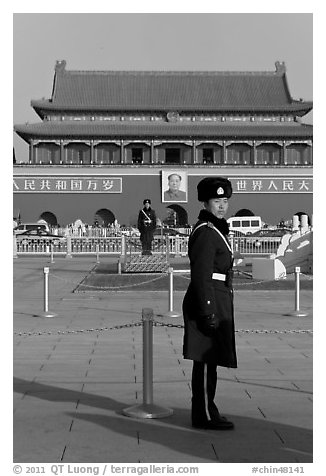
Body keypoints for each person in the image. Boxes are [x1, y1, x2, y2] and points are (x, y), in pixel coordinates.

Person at [182, 176, 237, 430]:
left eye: (225, 200)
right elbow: (201, 274)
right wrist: (207, 310)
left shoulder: (215, 229)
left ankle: (208, 410)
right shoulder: (206, 232)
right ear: (205, 202)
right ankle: (203, 415)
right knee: (204, 361)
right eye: (217, 201)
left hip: (216, 297)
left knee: (210, 360)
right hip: (208, 300)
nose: (222, 206)